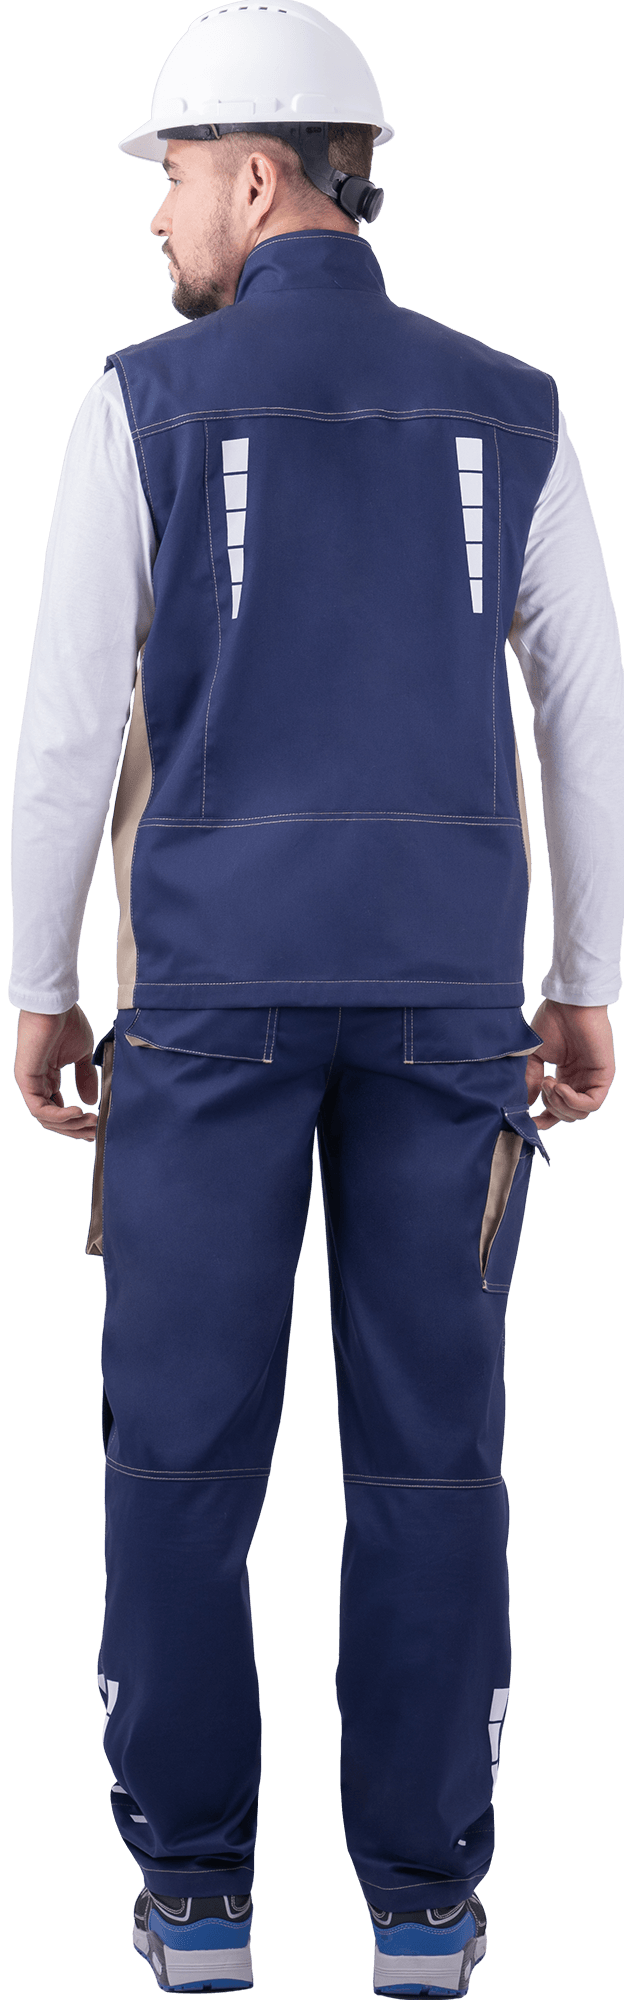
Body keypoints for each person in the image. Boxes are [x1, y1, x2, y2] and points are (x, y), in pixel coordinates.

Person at [10, 6, 622, 1995]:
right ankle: (427, 1911)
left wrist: (38, 984)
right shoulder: (515, 409)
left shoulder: (139, 407)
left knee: (183, 1454)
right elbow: (586, 707)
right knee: (434, 1454)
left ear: (260, 174)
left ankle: (197, 1900)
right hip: (453, 1006)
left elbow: (66, 725)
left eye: (174, 177)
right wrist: (585, 980)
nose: (158, 220)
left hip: (205, 1003)